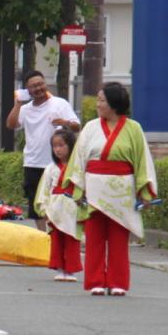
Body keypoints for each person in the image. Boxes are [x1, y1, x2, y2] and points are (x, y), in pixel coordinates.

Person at [65, 82, 156, 297]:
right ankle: (95, 280)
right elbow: (78, 158)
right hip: (94, 186)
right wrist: (79, 189)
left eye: (102, 100)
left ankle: (118, 282)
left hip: (122, 189)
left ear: (114, 104)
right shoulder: (90, 127)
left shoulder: (134, 128)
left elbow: (142, 162)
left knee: (118, 238)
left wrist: (145, 192)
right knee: (95, 236)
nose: (98, 104)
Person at [6, 69, 79, 229]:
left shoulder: (59, 103)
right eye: (33, 86)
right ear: (27, 89)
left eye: (40, 84)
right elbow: (11, 125)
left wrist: (64, 122)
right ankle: (43, 236)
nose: (38, 88)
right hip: (32, 162)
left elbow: (76, 126)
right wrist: (18, 103)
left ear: (45, 83)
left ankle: (59, 232)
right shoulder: (25, 109)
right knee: (36, 202)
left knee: (57, 199)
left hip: (56, 163)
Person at [34, 128, 82, 283]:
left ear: (70, 146)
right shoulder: (50, 168)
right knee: (57, 240)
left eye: (61, 145)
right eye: (55, 146)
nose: (58, 149)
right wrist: (44, 208)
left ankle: (71, 269)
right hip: (54, 207)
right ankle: (60, 268)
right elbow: (44, 190)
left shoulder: (79, 167)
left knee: (72, 239)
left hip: (72, 206)